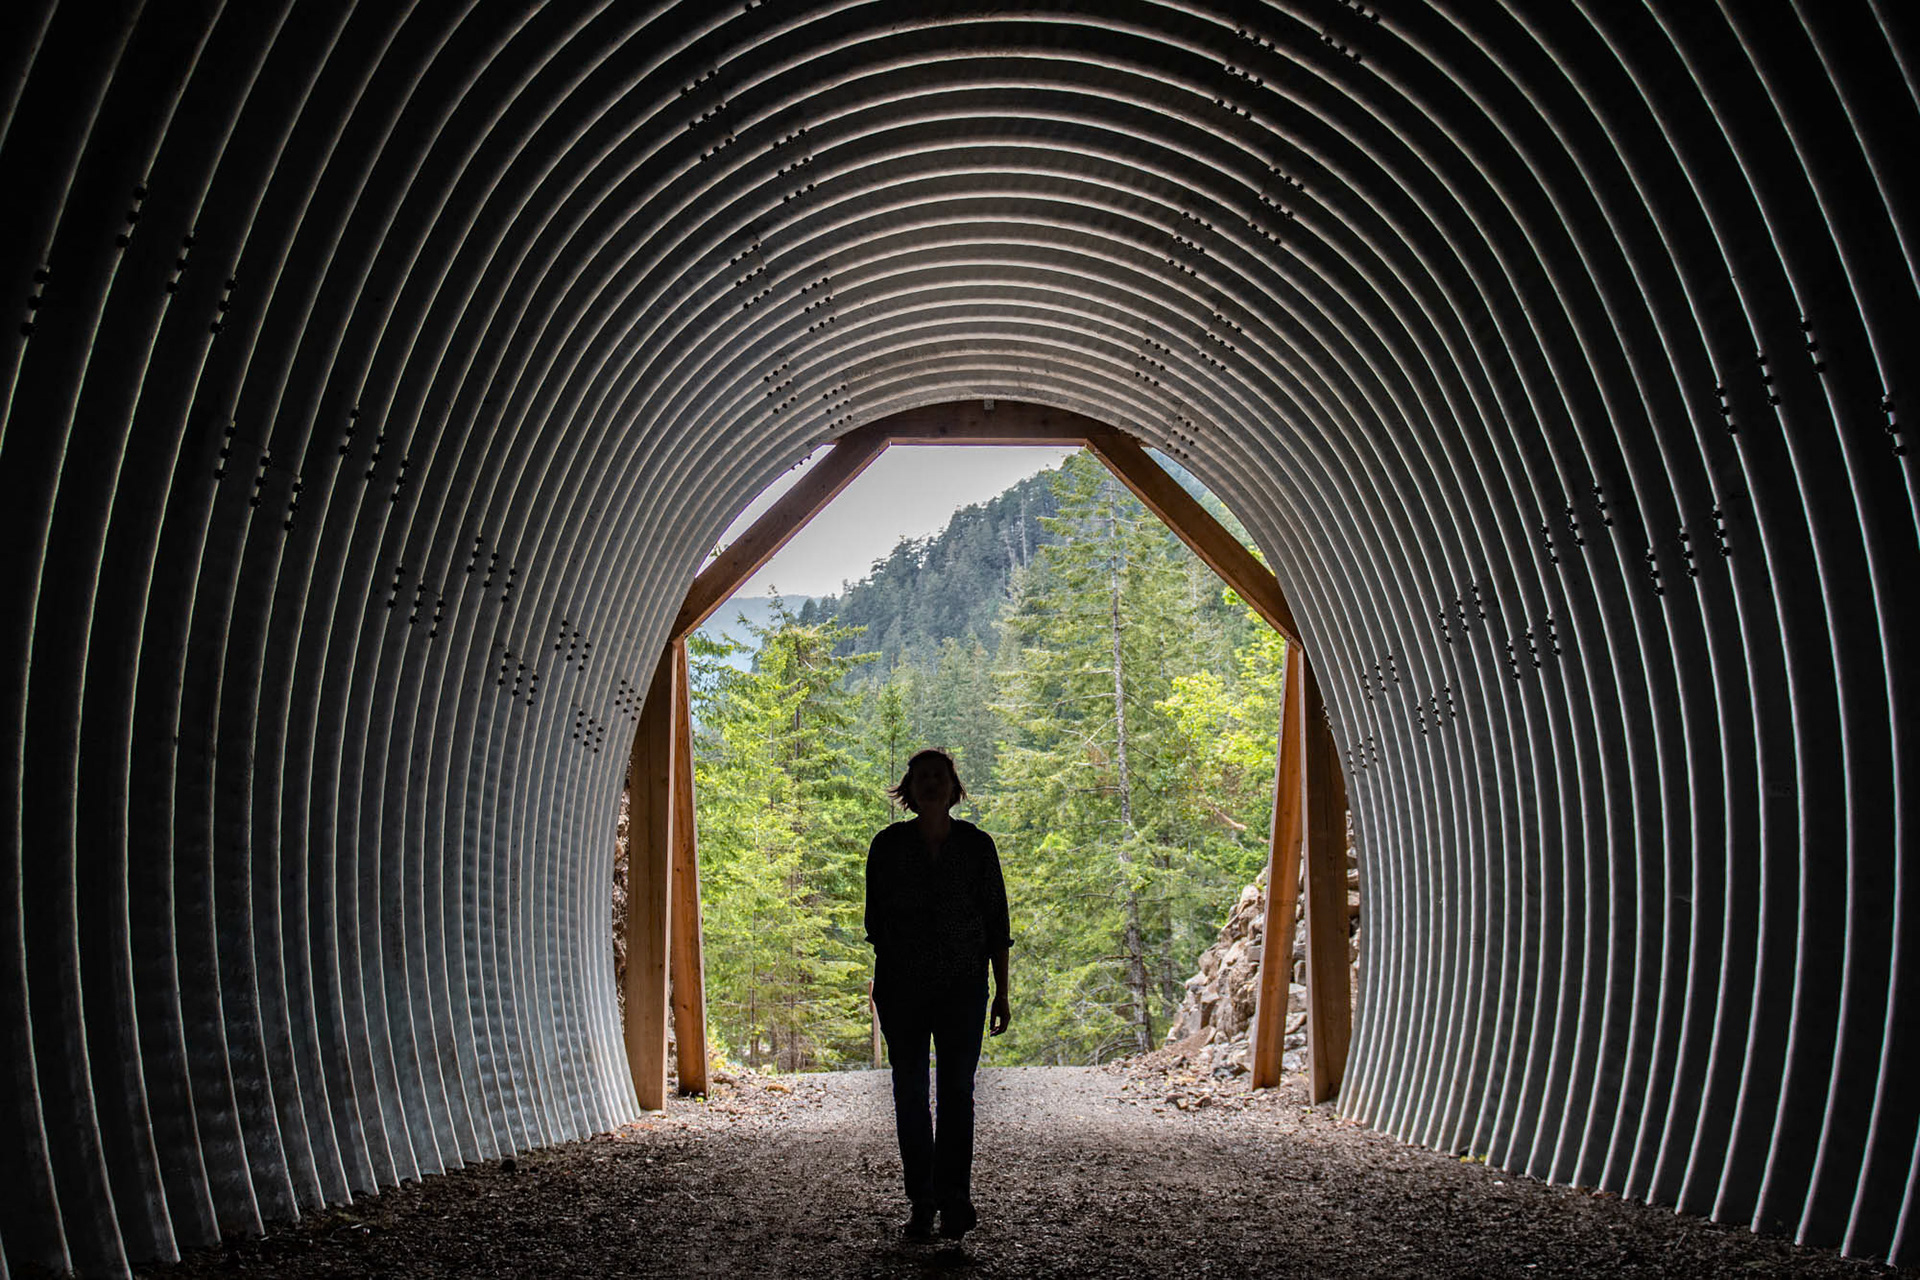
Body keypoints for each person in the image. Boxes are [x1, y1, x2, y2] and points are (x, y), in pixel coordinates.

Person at [863, 749, 1012, 1242]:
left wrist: (1002, 992)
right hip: (902, 991)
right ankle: (923, 1202)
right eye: (922, 776)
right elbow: (875, 923)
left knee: (956, 1093)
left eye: (939, 776)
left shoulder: (977, 846)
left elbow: (997, 924)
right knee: (909, 1093)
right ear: (909, 789)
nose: (930, 783)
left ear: (953, 788)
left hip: (963, 989)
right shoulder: (887, 847)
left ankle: (953, 1201)